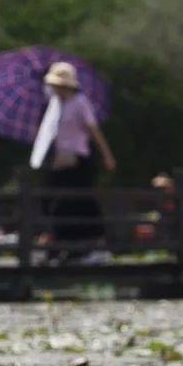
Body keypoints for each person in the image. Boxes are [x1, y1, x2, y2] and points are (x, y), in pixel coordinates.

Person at [40, 61, 116, 264]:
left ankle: (95, 246)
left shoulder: (80, 103)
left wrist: (107, 155)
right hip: (61, 162)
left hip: (78, 160)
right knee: (58, 204)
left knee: (81, 203)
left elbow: (94, 131)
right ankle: (66, 248)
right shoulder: (56, 106)